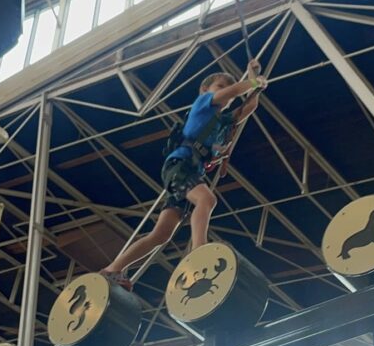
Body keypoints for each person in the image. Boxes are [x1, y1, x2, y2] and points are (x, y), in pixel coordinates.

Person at [102, 61, 267, 288]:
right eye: (219, 87)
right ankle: (198, 250)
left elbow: (247, 108)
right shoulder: (202, 104)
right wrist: (250, 81)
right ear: (205, 90)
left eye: (226, 92)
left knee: (161, 234)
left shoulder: (222, 122)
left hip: (188, 169)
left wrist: (255, 86)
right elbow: (235, 91)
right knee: (207, 199)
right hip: (181, 166)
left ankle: (112, 269)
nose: (224, 93)